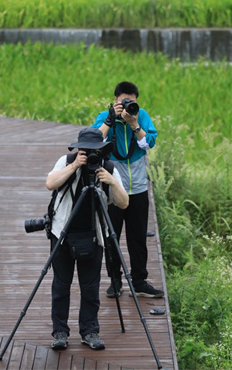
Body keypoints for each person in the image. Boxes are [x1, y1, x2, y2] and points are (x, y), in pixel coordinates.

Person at [46, 127, 129, 351]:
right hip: (62, 233)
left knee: (90, 287)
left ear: (102, 150)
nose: (91, 155)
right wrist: (75, 166)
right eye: (86, 151)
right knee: (61, 286)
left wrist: (111, 182)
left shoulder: (108, 168)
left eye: (95, 151)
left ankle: (90, 331)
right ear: (79, 149)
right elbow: (50, 183)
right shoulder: (67, 160)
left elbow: (123, 203)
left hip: (94, 236)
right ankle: (60, 332)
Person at [92, 81, 164, 299]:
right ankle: (115, 281)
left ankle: (139, 281)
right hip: (114, 189)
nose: (127, 105)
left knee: (138, 237)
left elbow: (148, 143)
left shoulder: (141, 115)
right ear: (115, 100)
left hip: (139, 187)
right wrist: (110, 119)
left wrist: (134, 124)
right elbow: (93, 140)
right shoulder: (105, 116)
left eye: (131, 102)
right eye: (123, 101)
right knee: (111, 236)